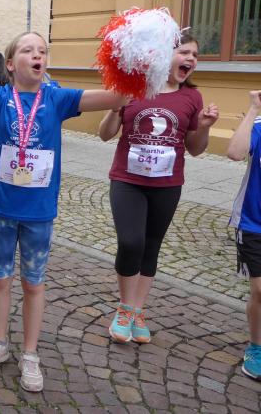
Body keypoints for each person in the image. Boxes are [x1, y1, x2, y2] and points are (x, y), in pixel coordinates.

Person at [0, 31, 126, 392]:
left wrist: (133, 65)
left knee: (33, 283)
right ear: (11, 64)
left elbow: (118, 96)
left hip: (39, 211)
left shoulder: (58, 98)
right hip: (1, 207)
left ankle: (30, 353)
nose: (37, 55)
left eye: (42, 50)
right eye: (28, 50)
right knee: (0, 278)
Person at [98, 33, 218, 345]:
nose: (191, 59)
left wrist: (205, 127)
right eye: (184, 52)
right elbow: (105, 134)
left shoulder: (192, 97)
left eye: (195, 55)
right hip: (127, 180)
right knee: (131, 242)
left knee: (151, 246)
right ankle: (125, 308)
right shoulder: (133, 89)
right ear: (164, 54)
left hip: (167, 184)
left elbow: (195, 148)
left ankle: (137, 311)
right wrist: (115, 107)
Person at [227, 90, 261, 381]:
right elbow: (235, 153)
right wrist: (253, 110)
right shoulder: (259, 127)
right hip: (253, 223)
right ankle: (256, 348)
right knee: (260, 290)